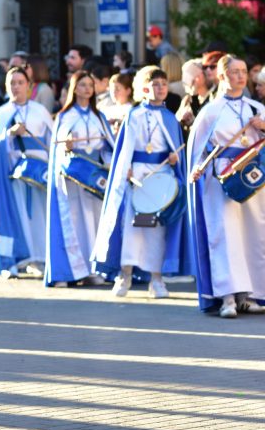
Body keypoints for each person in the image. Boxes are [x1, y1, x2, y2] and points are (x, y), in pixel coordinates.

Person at [92, 68, 190, 298]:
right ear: (145, 88)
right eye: (155, 84)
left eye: (164, 84)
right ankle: (124, 275)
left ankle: (156, 279)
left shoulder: (170, 118)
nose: (161, 88)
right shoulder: (134, 115)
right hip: (136, 176)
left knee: (156, 231)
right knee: (132, 227)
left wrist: (175, 159)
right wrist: (125, 169)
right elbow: (125, 147)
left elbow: (175, 149)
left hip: (160, 177)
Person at [188, 55, 265, 318]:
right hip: (221, 177)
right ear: (222, 76)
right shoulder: (211, 111)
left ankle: (249, 295)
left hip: (252, 177)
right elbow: (198, 148)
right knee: (225, 235)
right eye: (235, 71)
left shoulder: (256, 108)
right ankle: (227, 297)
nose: (241, 76)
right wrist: (196, 167)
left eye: (244, 71)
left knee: (252, 234)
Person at [46, 70, 115, 287]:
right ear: (74, 88)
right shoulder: (64, 117)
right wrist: (67, 148)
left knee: (94, 222)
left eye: (90, 85)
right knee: (73, 223)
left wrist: (108, 163)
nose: (87, 89)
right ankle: (71, 272)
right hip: (73, 178)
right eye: (83, 85)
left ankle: (93, 269)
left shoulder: (99, 117)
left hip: (94, 177)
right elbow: (57, 150)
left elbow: (108, 147)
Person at [0, 66, 53, 278]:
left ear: (29, 85)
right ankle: (12, 262)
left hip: (39, 173)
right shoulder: (0, 114)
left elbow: (51, 141)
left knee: (40, 217)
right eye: (12, 83)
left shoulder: (40, 111)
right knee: (17, 216)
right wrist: (9, 134)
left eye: (20, 82)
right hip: (13, 175)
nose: (16, 87)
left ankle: (38, 258)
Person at [176, 59, 211, 141]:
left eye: (196, 76)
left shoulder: (212, 98)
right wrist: (182, 121)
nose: (194, 80)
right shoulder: (187, 100)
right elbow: (176, 124)